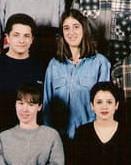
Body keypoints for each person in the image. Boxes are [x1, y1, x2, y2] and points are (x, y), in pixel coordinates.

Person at [43, 9, 111, 140]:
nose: (71, 32)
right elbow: (47, 107)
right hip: (59, 138)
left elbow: (105, 106)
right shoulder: (54, 65)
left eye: (76, 27)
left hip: (89, 138)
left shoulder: (100, 63)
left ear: (84, 29)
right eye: (66, 28)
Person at [0, 13, 47, 132]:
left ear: (32, 39)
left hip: (32, 133)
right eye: (16, 35)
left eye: (26, 36)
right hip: (0, 131)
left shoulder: (41, 67)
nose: (21, 40)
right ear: (8, 38)